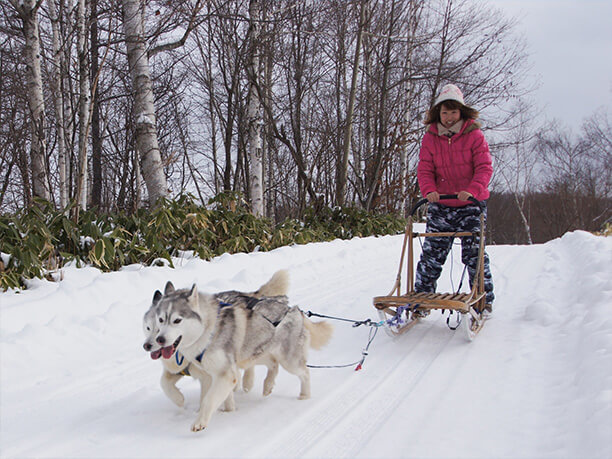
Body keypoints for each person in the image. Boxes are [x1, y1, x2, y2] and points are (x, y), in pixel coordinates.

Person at [414, 83, 494, 317]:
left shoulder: (474, 136)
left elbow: (484, 168)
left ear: (462, 112)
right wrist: (428, 190)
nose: (449, 117)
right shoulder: (430, 137)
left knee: (474, 255)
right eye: (444, 112)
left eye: (453, 112)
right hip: (442, 204)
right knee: (431, 254)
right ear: (438, 113)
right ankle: (421, 299)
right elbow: (425, 169)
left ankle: (484, 300)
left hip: (471, 205)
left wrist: (472, 190)